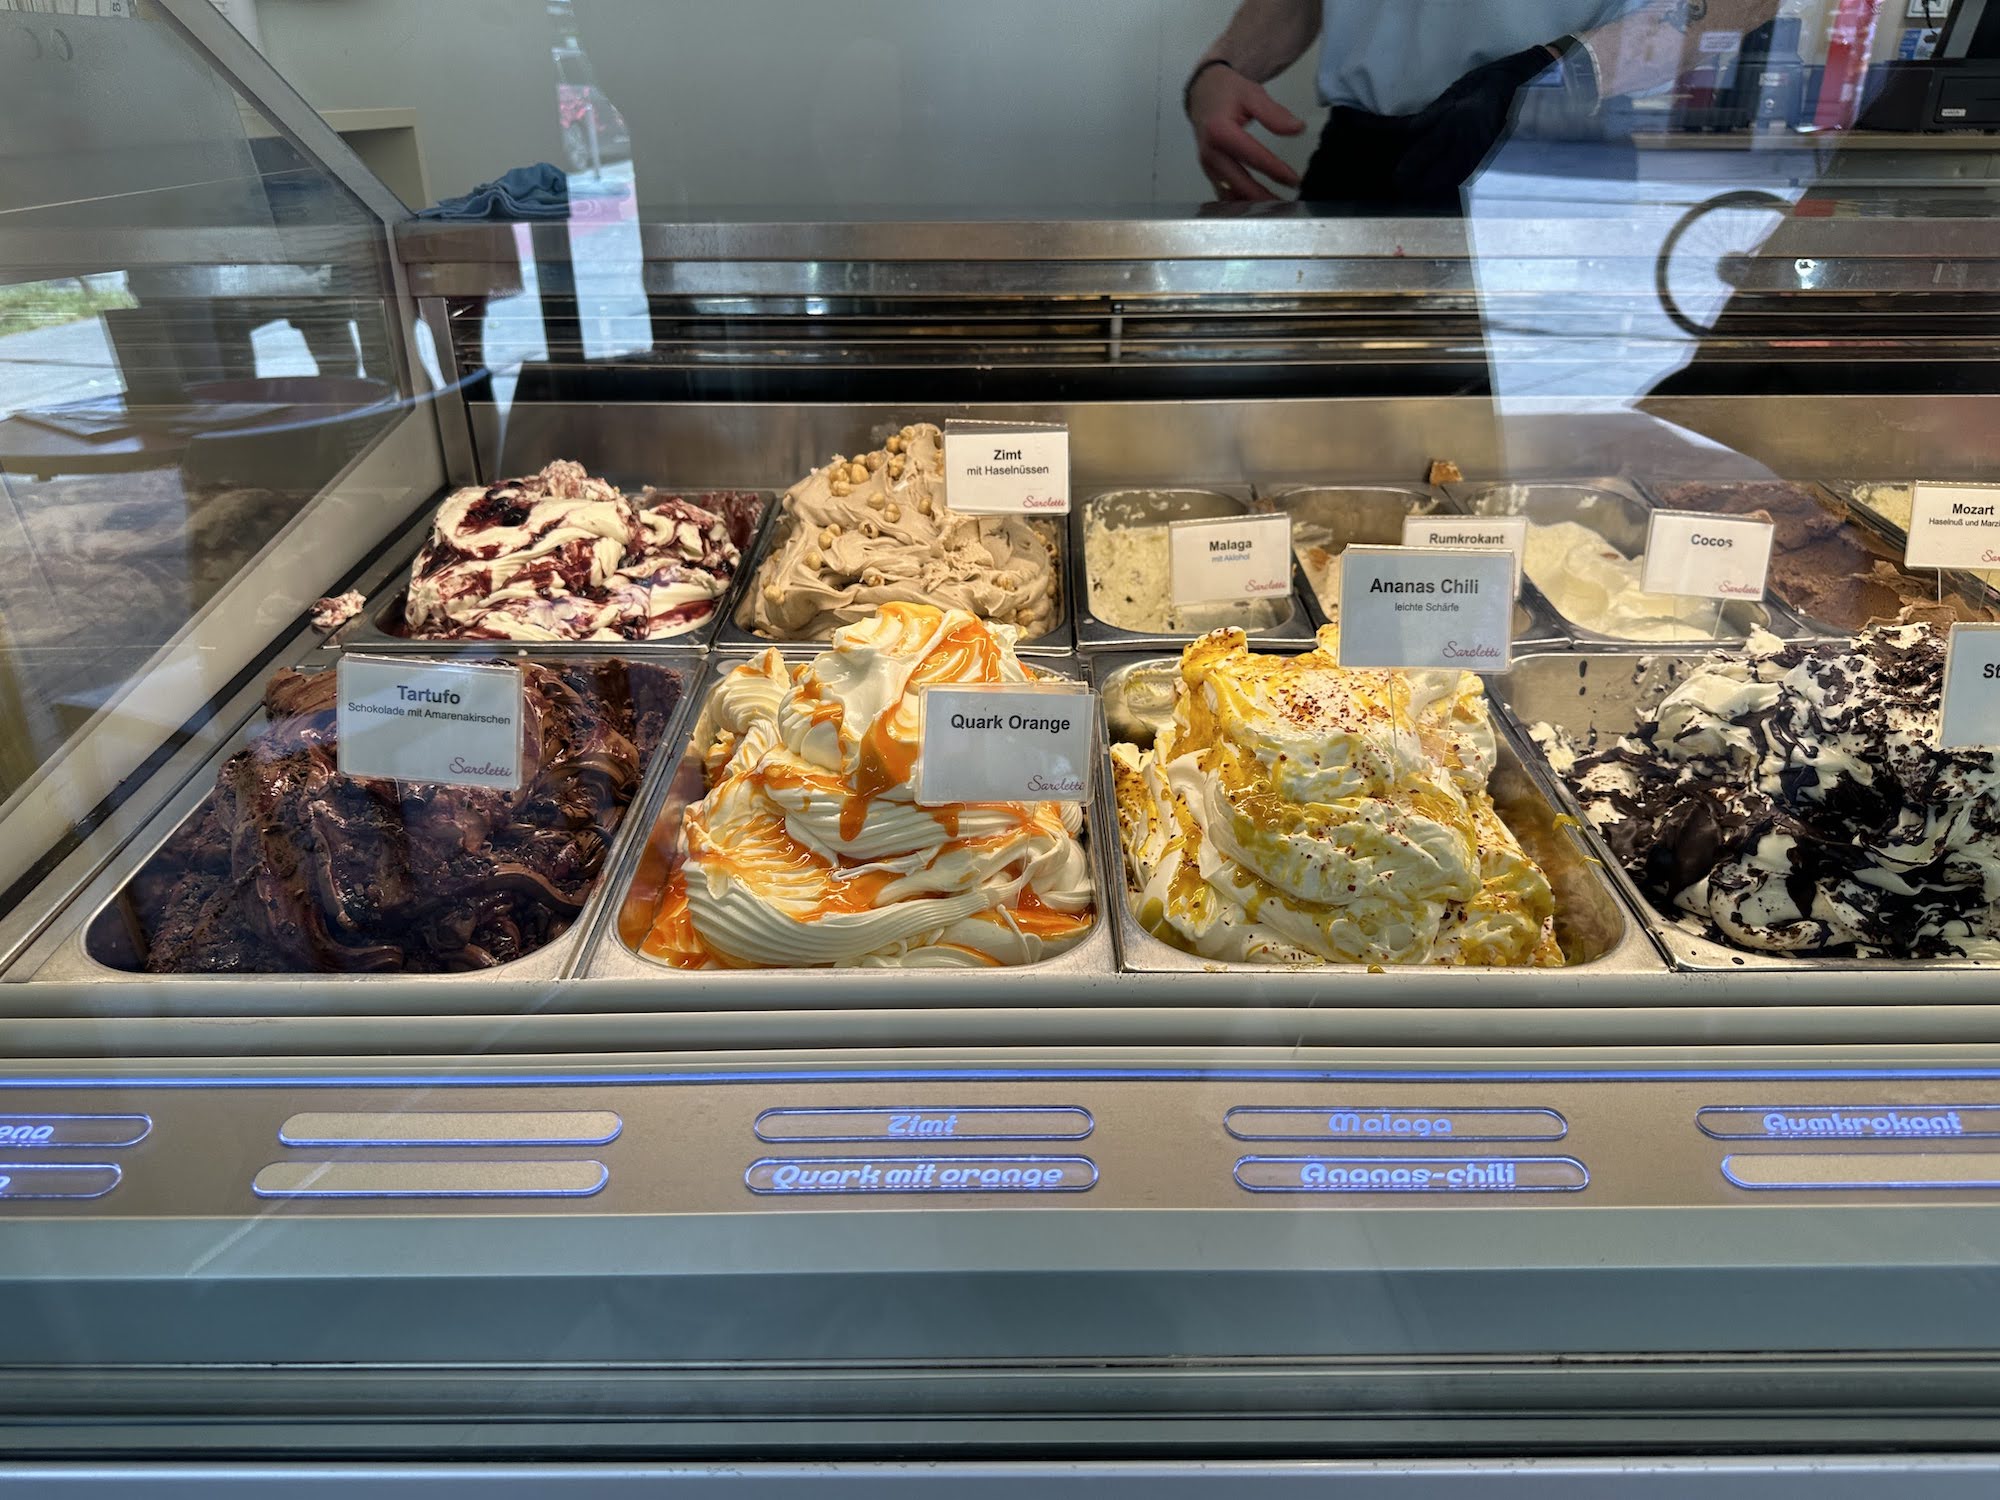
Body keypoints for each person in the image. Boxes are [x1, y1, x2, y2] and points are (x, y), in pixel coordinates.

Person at [1185, 0, 1778, 208]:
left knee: (1542, 443)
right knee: (1335, 427)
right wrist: (1223, 67)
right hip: (1359, 161)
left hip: (1552, 152)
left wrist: (1563, 74)